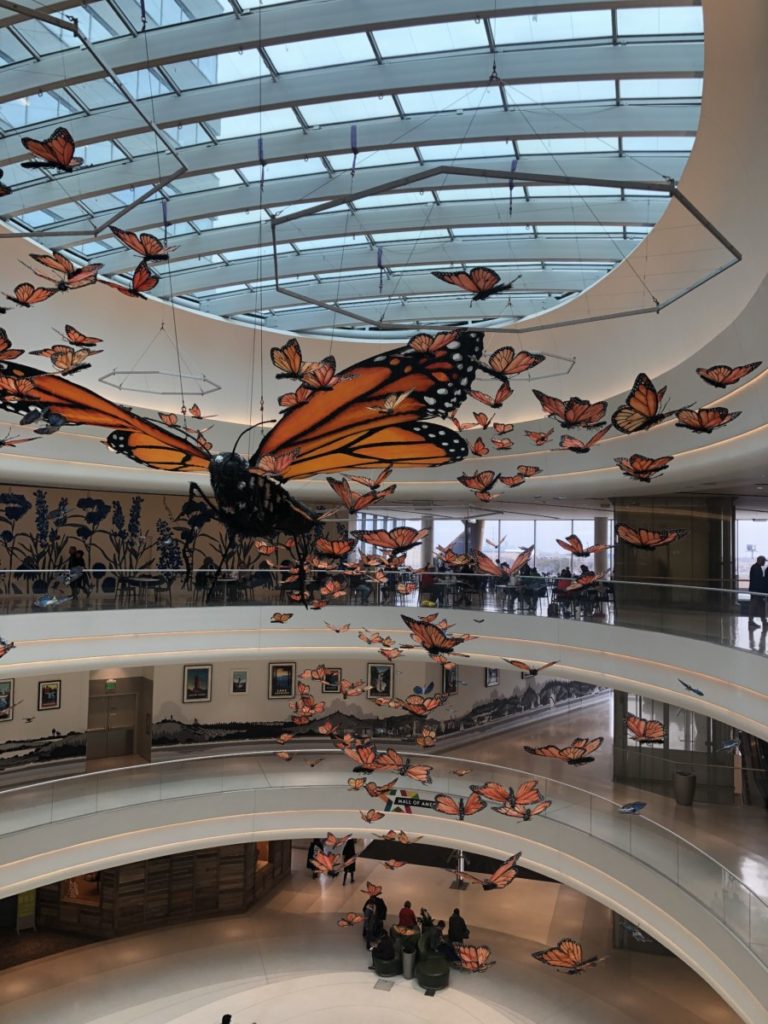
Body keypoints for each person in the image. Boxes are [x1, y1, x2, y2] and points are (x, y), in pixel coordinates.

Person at [748, 555, 767, 629]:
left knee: (761, 606)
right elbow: (757, 581)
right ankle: (751, 622)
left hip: (757, 592)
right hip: (756, 592)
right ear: (759, 560)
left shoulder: (757, 568)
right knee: (753, 606)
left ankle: (764, 622)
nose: (764, 562)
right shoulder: (755, 568)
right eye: (763, 561)